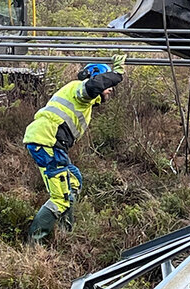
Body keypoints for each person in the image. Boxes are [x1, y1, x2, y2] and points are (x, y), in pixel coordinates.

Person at [23, 54, 126, 242]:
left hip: (49, 142)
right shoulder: (80, 90)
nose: (110, 89)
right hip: (48, 142)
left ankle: (65, 231)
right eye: (108, 84)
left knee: (74, 179)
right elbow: (93, 86)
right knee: (60, 198)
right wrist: (117, 74)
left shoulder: (85, 101)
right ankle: (34, 244)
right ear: (96, 77)